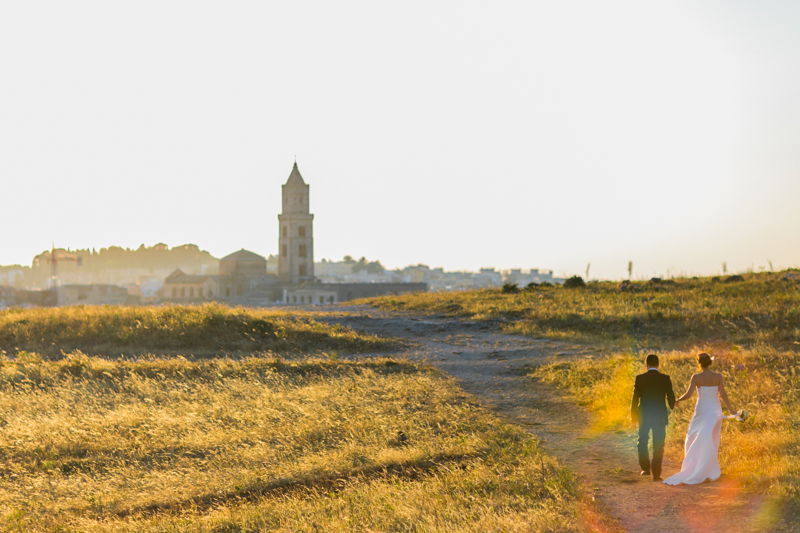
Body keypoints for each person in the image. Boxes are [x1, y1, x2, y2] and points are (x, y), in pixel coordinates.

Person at [664, 352, 735, 486]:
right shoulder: (718, 377)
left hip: (702, 409)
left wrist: (678, 400)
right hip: (714, 410)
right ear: (710, 362)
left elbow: (689, 394)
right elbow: (723, 394)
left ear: (699, 363)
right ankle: (708, 469)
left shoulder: (696, 377)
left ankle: (698, 467)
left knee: (693, 436)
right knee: (711, 438)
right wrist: (732, 411)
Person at [631, 353, 676, 481]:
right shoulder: (665, 378)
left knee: (642, 442)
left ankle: (645, 469)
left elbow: (635, 399)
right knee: (658, 444)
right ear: (658, 364)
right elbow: (670, 396)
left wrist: (633, 417)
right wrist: (672, 405)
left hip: (644, 415)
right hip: (659, 416)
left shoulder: (640, 378)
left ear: (647, 364)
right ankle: (657, 474)